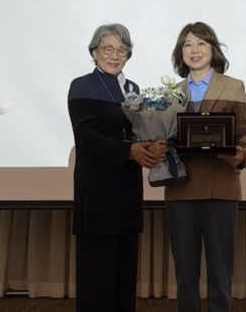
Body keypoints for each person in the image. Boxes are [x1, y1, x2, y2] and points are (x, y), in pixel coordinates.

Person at [67, 23, 168, 312]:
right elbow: (87, 137)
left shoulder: (133, 89)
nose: (114, 55)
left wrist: (153, 145)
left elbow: (138, 133)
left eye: (121, 50)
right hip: (97, 195)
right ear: (94, 52)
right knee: (97, 283)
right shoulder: (81, 86)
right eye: (107, 49)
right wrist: (130, 150)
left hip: (127, 193)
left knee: (124, 282)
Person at [165, 22, 246, 312]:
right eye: (188, 44)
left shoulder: (234, 86)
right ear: (181, 52)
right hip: (181, 188)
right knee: (185, 273)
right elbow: (164, 136)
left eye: (201, 43)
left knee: (220, 272)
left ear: (212, 49)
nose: (195, 50)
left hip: (222, 187)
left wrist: (241, 154)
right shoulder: (170, 93)